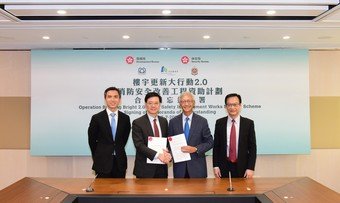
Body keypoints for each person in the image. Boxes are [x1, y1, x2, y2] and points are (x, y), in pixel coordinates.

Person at [88, 87, 131, 178]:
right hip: (102, 163)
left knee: (120, 190)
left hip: (120, 163)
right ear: (105, 99)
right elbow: (92, 141)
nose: (112, 99)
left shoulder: (125, 118)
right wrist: (98, 157)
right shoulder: (97, 118)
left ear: (119, 99)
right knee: (102, 191)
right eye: (109, 96)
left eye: (115, 97)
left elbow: (123, 140)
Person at [168, 91, 214, 178]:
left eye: (189, 101)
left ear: (193, 103)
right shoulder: (173, 122)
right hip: (179, 168)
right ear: (180, 104)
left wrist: (195, 149)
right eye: (183, 101)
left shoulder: (202, 121)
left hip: (197, 168)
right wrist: (169, 153)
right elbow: (169, 143)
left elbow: (210, 142)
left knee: (198, 191)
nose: (186, 104)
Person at [213, 93, 257, 178]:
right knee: (222, 190)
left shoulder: (248, 123)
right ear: (225, 107)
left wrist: (250, 168)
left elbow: (252, 148)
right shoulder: (220, 123)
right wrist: (216, 166)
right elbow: (216, 146)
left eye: (235, 104)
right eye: (229, 105)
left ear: (240, 105)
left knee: (242, 190)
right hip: (223, 166)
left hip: (243, 166)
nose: (232, 107)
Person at [132, 92, 172, 178]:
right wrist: (158, 155)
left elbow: (167, 142)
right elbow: (139, 145)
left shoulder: (164, 121)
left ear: (159, 105)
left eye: (156, 103)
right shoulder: (138, 122)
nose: (153, 106)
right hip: (145, 169)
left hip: (162, 168)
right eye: (150, 103)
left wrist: (168, 153)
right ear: (145, 105)